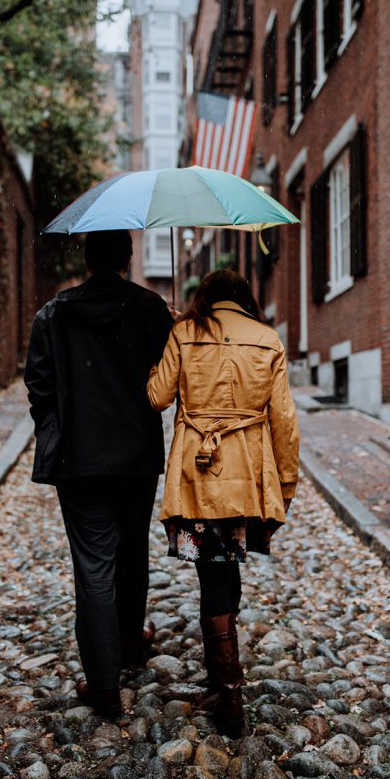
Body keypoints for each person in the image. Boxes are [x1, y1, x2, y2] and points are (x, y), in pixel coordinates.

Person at [24, 229, 174, 717]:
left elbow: (38, 385)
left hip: (79, 459)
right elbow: (167, 378)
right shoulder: (150, 308)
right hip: (135, 457)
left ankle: (104, 684)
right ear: (128, 259)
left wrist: (54, 430)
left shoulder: (54, 313)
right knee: (132, 550)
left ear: (87, 258)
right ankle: (129, 639)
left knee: (94, 565)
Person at [146, 268, 299, 738]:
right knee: (225, 565)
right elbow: (285, 421)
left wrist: (169, 345)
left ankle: (228, 693)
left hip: (197, 475)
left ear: (205, 297)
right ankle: (223, 681)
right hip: (249, 476)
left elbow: (157, 396)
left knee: (211, 571)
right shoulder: (266, 338)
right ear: (244, 298)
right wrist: (285, 486)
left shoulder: (184, 332)